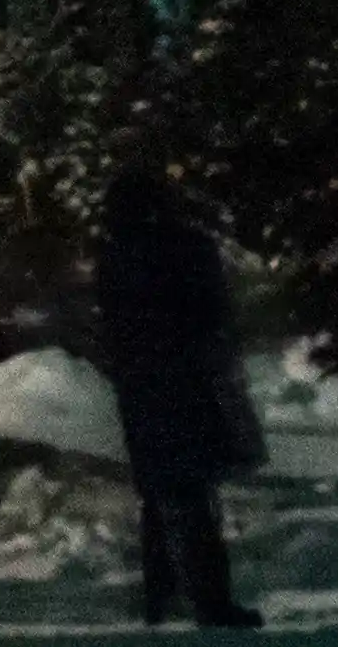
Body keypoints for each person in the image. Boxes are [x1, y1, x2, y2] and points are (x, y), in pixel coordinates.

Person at [94, 162, 266, 629]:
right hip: (190, 382)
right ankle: (209, 601)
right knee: (192, 494)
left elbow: (109, 329)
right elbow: (214, 317)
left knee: (158, 490)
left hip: (139, 386)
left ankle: (161, 594)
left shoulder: (112, 256)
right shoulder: (190, 250)